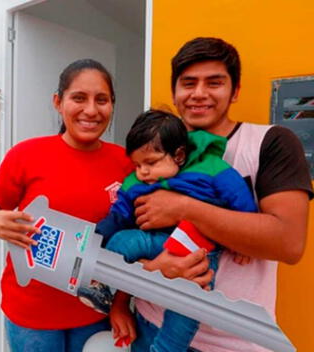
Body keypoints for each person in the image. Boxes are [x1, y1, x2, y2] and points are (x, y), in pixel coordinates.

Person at [131, 37, 312, 352]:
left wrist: (184, 208)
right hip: (151, 322)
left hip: (231, 342)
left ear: (236, 90)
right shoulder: (157, 149)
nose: (199, 93)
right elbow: (130, 231)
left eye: (214, 82)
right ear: (175, 92)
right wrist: (152, 269)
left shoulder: (270, 143)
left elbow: (288, 241)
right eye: (189, 83)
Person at [0, 58, 134, 352]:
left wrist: (121, 303)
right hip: (30, 314)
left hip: (96, 312)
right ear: (58, 101)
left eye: (101, 100)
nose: (91, 110)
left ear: (112, 105)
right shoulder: (26, 155)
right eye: (79, 98)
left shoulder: (127, 164)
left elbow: (131, 244)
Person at [76, 109, 257, 351]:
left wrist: (242, 242)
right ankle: (101, 286)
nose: (143, 172)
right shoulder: (137, 182)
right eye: (138, 164)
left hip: (197, 253)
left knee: (187, 308)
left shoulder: (210, 168)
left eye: (151, 163)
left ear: (179, 155)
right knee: (122, 240)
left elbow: (239, 197)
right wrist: (94, 238)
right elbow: (118, 216)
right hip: (156, 241)